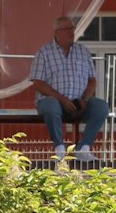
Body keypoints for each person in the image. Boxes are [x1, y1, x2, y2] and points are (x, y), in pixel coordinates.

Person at [28, 14, 109, 162]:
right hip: (52, 101)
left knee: (101, 107)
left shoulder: (83, 51)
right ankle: (59, 149)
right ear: (57, 32)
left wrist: (85, 98)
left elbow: (92, 80)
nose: (72, 32)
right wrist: (62, 99)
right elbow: (38, 83)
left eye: (73, 28)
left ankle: (84, 148)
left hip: (79, 101)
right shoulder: (44, 53)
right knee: (51, 105)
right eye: (67, 29)